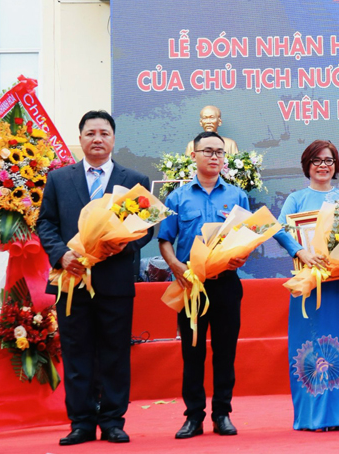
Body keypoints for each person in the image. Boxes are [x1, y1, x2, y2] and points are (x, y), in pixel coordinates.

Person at [38, 110, 152, 445]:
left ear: (113, 139)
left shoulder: (135, 181)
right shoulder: (59, 179)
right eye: (90, 133)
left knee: (115, 354)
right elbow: (45, 223)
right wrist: (62, 254)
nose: (97, 139)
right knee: (77, 353)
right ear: (81, 139)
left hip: (114, 281)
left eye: (104, 133)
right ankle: (81, 423)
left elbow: (146, 228)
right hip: (71, 280)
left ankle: (113, 421)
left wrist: (125, 244)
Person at [158, 131, 249, 439]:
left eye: (219, 152)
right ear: (194, 155)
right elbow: (165, 239)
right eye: (207, 151)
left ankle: (222, 413)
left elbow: (248, 236)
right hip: (192, 285)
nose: (214, 156)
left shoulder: (237, 196)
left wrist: (242, 256)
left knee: (225, 352)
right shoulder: (177, 197)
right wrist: (175, 265)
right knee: (192, 352)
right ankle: (194, 416)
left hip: (226, 283)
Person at [273, 140, 339, 430]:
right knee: (311, 345)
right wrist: (301, 252)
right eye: (317, 160)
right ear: (307, 165)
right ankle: (314, 416)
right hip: (309, 286)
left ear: (336, 166)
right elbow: (278, 229)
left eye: (329, 160)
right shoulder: (296, 199)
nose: (323, 165)